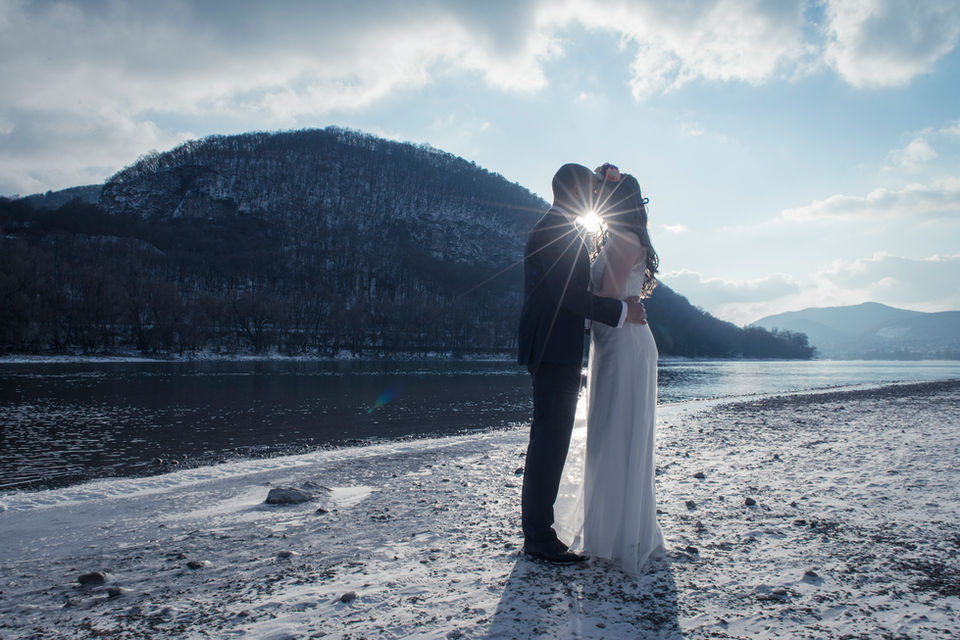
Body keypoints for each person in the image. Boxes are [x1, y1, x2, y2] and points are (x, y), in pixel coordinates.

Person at [517, 163, 648, 564]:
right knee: (550, 441)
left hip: (556, 347)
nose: (596, 196)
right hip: (555, 350)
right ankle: (538, 536)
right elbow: (568, 297)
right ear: (578, 195)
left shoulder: (560, 227)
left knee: (549, 440)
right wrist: (621, 311)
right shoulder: (557, 232)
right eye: (591, 189)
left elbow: (570, 294)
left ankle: (539, 531)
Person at [554, 164, 666, 575]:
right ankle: (616, 527)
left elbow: (605, 297)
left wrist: (566, 296)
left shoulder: (624, 239)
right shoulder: (620, 237)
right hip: (616, 343)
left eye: (603, 194)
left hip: (623, 346)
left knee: (615, 432)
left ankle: (617, 534)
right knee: (611, 431)